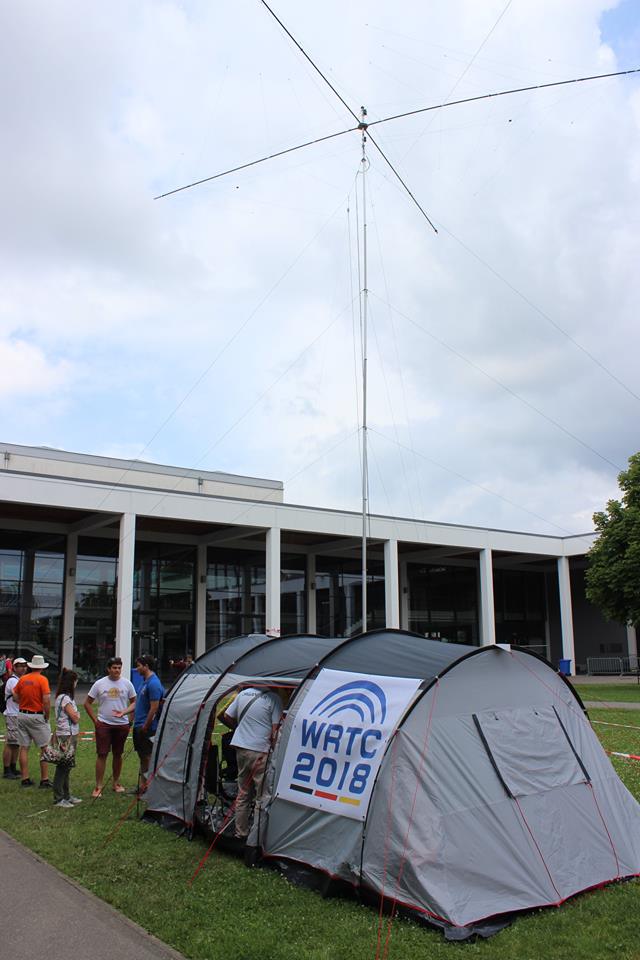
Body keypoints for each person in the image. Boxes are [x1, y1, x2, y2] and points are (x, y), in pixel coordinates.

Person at [221, 685, 283, 841]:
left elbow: (226, 715)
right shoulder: (274, 699)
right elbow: (275, 731)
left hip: (241, 748)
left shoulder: (243, 694)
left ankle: (240, 833)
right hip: (260, 751)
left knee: (243, 793)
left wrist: (241, 729)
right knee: (262, 796)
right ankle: (257, 837)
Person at [84, 657, 136, 798]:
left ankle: (116, 783)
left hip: (121, 725)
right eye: (114, 668)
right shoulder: (99, 684)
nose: (117, 670)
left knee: (118, 754)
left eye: (119, 667)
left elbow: (134, 702)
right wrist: (96, 721)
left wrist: (129, 720)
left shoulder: (127, 684)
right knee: (102, 754)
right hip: (104, 724)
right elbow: (87, 703)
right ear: (108, 669)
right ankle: (98, 786)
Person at [114, 654, 164, 794]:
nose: (137, 669)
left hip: (147, 728)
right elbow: (137, 703)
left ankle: (150, 787)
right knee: (142, 757)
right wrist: (124, 712)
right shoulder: (144, 682)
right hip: (139, 726)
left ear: (146, 666)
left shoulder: (154, 683)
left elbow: (154, 708)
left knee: (148, 757)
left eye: (139, 666)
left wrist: (146, 726)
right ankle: (143, 786)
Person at [13, 654, 52, 788]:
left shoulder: (23, 679)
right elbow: (46, 700)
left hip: (22, 714)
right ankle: (44, 779)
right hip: (37, 715)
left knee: (24, 747)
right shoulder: (42, 680)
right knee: (44, 747)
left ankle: (25, 778)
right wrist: (47, 715)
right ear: (42, 667)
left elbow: (15, 695)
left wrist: (22, 702)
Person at [52, 669, 82, 809]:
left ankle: (66, 795)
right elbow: (75, 717)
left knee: (67, 766)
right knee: (63, 766)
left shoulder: (64, 698)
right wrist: (77, 714)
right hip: (66, 735)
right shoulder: (65, 698)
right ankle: (59, 797)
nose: (76, 683)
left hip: (69, 734)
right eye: (75, 681)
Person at [3, 657, 27, 779]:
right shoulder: (13, 681)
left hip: (18, 714)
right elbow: (17, 698)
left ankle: (13, 767)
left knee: (16, 743)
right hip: (12, 714)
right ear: (15, 668)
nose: (23, 668)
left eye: (24, 665)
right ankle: (7, 770)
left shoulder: (19, 680)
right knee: (11, 743)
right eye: (20, 666)